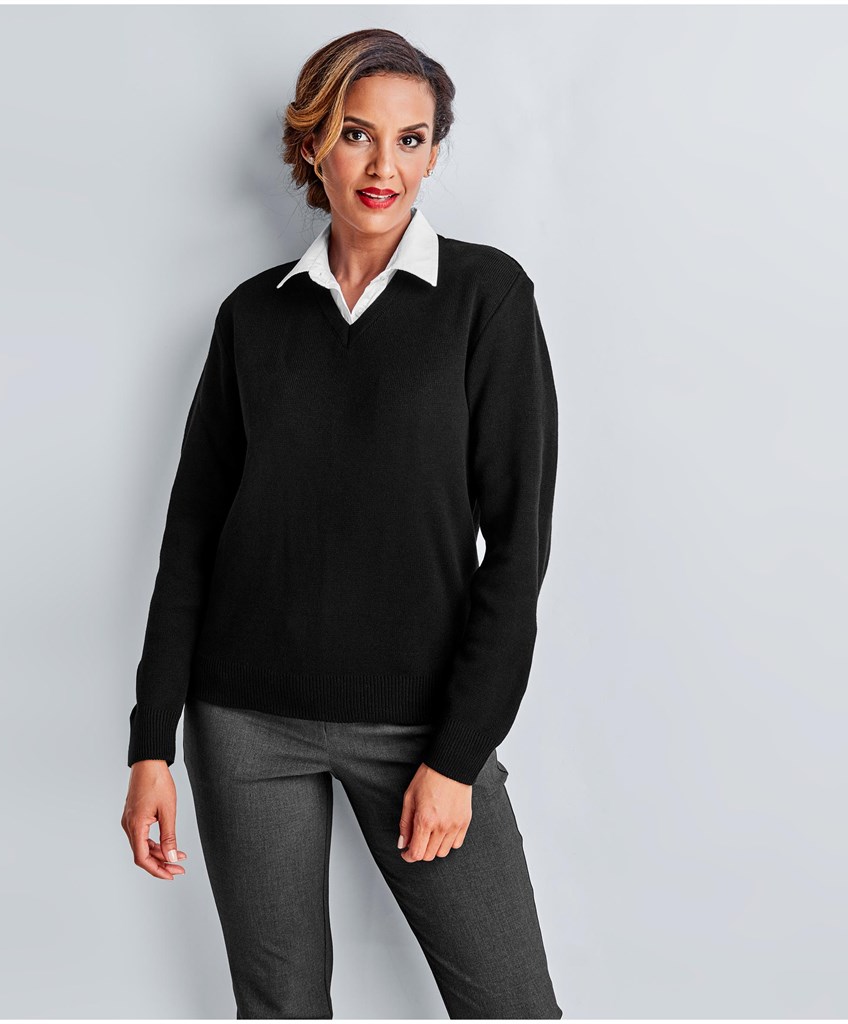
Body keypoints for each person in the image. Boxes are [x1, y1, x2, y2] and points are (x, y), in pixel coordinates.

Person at [120, 27, 564, 1020]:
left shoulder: (486, 300)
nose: (382, 166)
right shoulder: (252, 319)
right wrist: (152, 742)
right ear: (313, 143)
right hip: (243, 723)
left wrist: (456, 757)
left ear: (435, 154)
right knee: (279, 1008)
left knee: (512, 1006)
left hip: (419, 726)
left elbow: (517, 552)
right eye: (357, 134)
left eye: (411, 139)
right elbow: (190, 542)